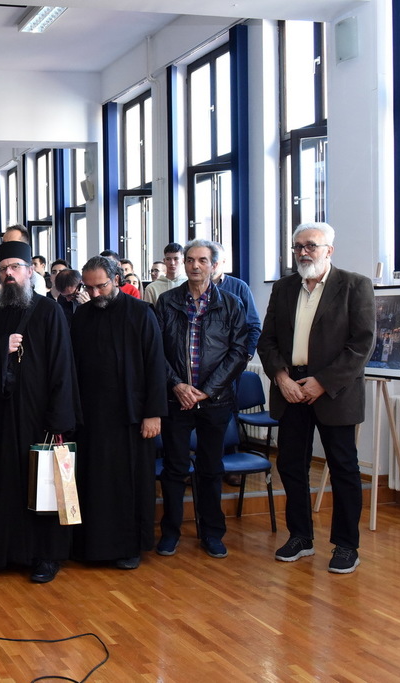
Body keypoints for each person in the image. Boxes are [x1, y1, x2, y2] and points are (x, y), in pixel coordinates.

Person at [257, 222, 376, 574]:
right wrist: (281, 378)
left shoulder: (354, 285)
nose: (303, 252)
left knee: (343, 468)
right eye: (298, 246)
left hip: (334, 391)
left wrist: (321, 383)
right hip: (291, 388)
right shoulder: (284, 287)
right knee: (291, 465)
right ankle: (300, 537)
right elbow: (267, 340)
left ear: (329, 250)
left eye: (310, 245)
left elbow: (361, 344)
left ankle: (346, 545)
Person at [0, 241, 77, 583]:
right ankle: (4, 553)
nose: (9, 274)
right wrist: (0, 347)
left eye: (15, 267)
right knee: (5, 484)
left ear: (30, 271)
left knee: (42, 485)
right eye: (3, 268)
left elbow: (62, 366)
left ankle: (46, 556)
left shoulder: (49, 311)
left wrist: (58, 419)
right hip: (2, 415)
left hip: (39, 417)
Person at [71, 256, 167, 570]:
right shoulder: (82, 315)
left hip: (132, 417)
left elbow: (155, 365)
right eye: (89, 288)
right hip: (91, 418)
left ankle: (129, 547)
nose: (95, 294)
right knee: (94, 483)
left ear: (116, 279)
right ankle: (92, 546)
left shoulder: (141, 312)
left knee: (129, 484)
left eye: (101, 286)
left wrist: (153, 413)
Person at [154, 240, 248, 560]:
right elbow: (155, 350)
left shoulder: (232, 303)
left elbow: (238, 352)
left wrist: (207, 389)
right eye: (190, 260)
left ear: (214, 265)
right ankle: (170, 532)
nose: (195, 266)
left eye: (202, 260)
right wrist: (177, 385)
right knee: (174, 469)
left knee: (210, 469)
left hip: (215, 401)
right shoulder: (167, 301)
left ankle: (212, 533)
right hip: (176, 400)